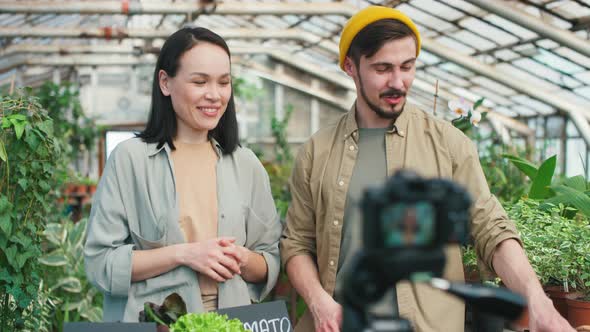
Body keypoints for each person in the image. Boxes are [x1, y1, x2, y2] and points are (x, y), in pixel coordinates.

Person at [280, 6, 574, 332]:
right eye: (383, 68)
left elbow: (490, 229)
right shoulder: (318, 150)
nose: (398, 81)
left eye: (407, 67)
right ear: (351, 66)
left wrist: (538, 302)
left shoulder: (447, 144)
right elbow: (297, 244)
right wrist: (320, 303)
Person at [84, 27, 282, 322]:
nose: (214, 95)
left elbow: (269, 261)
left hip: (232, 323)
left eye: (224, 82)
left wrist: (243, 258)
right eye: (200, 82)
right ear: (165, 82)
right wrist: (185, 254)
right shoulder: (130, 160)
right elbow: (100, 263)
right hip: (158, 322)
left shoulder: (247, 165)